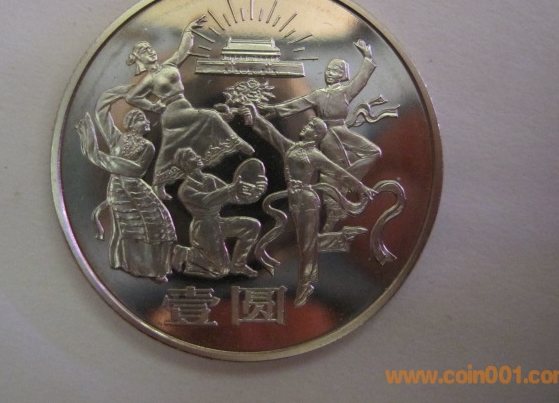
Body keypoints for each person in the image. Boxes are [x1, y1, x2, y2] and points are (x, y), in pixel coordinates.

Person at [240, 105, 373, 306]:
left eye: (310, 126)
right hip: (293, 198)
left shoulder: (314, 155)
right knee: (302, 241)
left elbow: (338, 172)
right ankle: (312, 272)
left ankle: (306, 284)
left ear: (315, 134)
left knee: (306, 244)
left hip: (307, 199)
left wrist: (361, 188)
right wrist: (255, 116)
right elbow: (271, 133)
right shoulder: (292, 148)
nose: (305, 127)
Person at [124, 16, 253, 199]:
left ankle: (158, 186)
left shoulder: (170, 64)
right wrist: (153, 106)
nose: (150, 52)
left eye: (149, 49)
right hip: (172, 111)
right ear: (140, 59)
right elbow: (131, 97)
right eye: (144, 52)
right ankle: (237, 142)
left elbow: (183, 50)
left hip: (183, 106)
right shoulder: (149, 79)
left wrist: (188, 31)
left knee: (170, 148)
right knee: (209, 116)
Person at [260, 39, 381, 231]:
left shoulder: (345, 92)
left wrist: (367, 58)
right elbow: (297, 104)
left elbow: (361, 80)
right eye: (329, 70)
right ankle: (336, 203)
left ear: (342, 75)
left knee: (373, 152)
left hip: (341, 129)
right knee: (333, 169)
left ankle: (345, 181)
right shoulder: (318, 94)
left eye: (335, 71)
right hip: (325, 132)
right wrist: (274, 110)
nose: (330, 74)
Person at [75, 86, 177, 282]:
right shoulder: (117, 139)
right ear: (131, 123)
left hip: (137, 187)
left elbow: (137, 170)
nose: (147, 122)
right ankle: (136, 267)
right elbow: (102, 110)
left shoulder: (148, 146)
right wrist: (128, 91)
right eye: (142, 119)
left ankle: (157, 268)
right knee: (131, 226)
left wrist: (99, 157)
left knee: (159, 220)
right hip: (119, 190)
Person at [170, 148, 266, 279]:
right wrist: (231, 189)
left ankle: (238, 264)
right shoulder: (185, 189)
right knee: (221, 270)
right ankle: (185, 253)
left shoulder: (210, 179)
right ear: (186, 164)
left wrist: (254, 192)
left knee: (251, 226)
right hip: (204, 228)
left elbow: (234, 196)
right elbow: (206, 201)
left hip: (217, 221)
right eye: (193, 156)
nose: (198, 157)